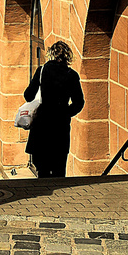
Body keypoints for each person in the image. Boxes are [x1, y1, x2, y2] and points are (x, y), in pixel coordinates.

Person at [24, 40, 84, 177]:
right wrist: (65, 112)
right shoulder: (72, 75)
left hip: (42, 124)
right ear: (67, 56)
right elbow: (79, 102)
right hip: (60, 125)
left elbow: (28, 96)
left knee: (42, 169)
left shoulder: (41, 71)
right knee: (59, 168)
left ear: (51, 54)